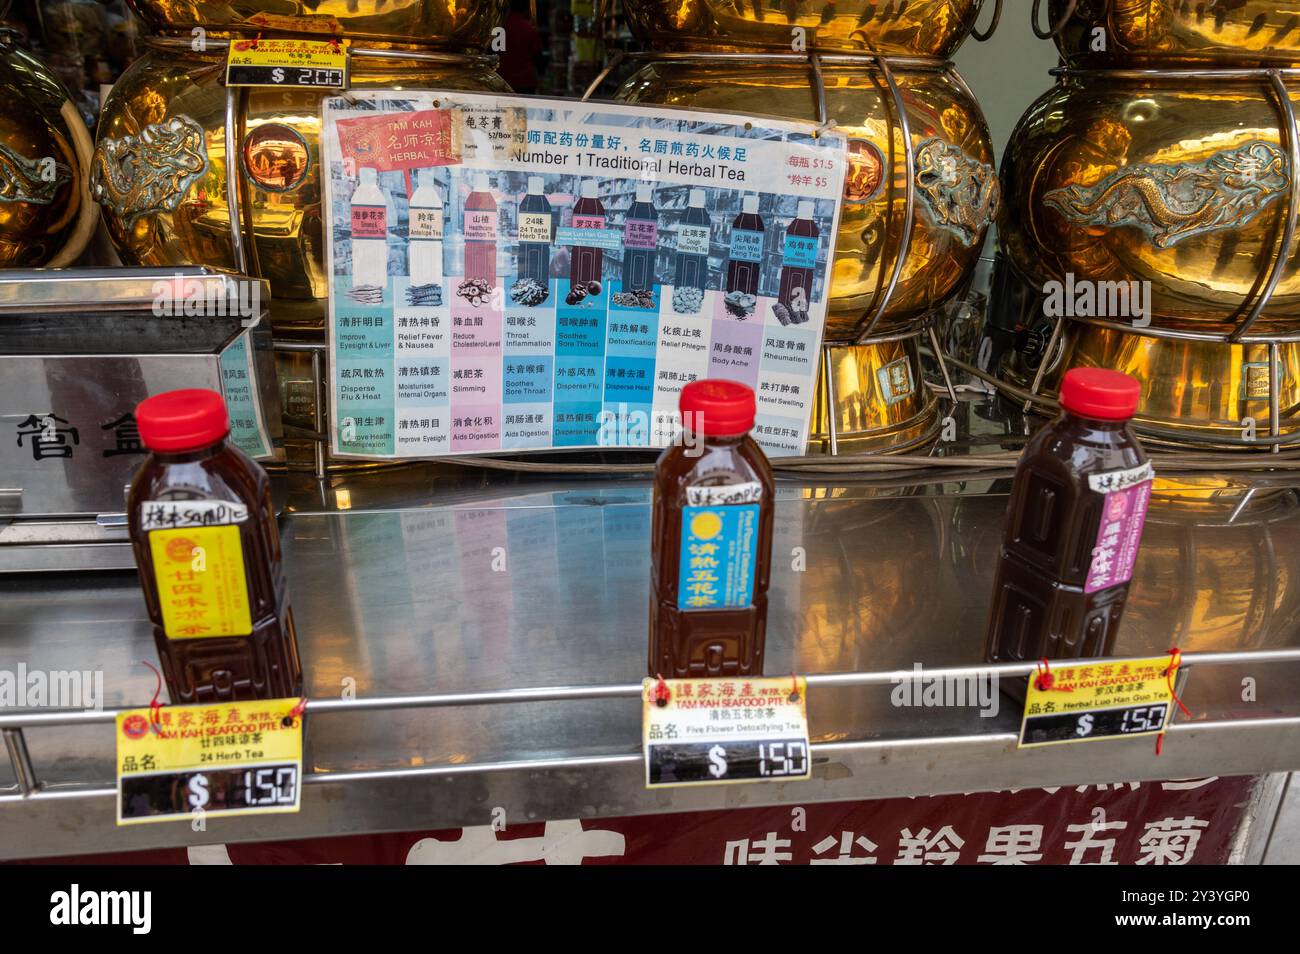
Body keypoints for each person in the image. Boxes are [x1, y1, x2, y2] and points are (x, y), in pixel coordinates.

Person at [497, 0, 544, 94]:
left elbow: (494, 52)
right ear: (526, 9)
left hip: (502, 79)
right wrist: (542, 76)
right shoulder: (529, 28)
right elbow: (537, 56)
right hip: (525, 81)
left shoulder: (499, 28)